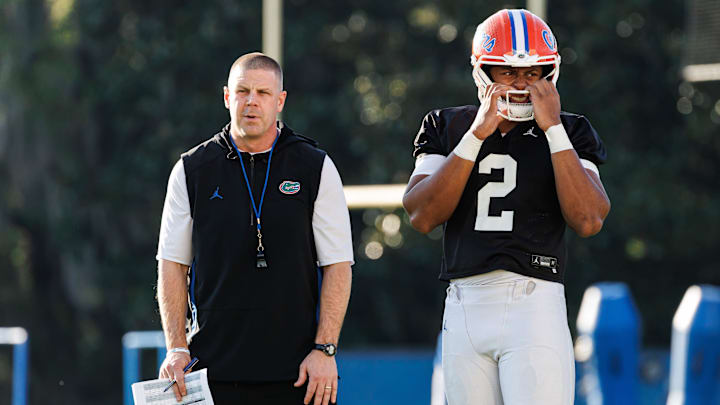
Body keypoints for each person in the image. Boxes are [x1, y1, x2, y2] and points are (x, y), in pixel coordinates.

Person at [402, 9, 610, 405]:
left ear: (549, 73)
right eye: (509, 73)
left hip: (534, 304)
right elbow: (422, 214)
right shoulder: (447, 125)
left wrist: (553, 131)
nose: (521, 85)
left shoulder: (571, 129)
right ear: (484, 72)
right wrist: (477, 134)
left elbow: (589, 218)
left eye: (532, 73)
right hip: (463, 303)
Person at [155, 52, 353, 405]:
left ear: (280, 101)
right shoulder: (192, 169)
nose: (251, 101)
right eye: (243, 91)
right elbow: (172, 263)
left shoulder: (315, 166)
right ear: (227, 97)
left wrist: (325, 349)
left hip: (298, 373)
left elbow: (337, 264)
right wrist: (176, 348)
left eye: (262, 93)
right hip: (211, 371)